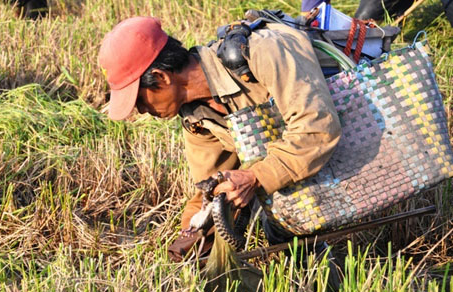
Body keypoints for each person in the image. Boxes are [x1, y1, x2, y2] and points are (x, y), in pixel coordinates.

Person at [98, 17, 342, 262]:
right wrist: (192, 235)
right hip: (314, 165)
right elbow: (209, 186)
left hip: (357, 138)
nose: (140, 111)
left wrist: (255, 177)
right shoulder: (196, 116)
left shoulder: (261, 54)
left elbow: (318, 128)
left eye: (139, 100)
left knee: (279, 225)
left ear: (161, 78)